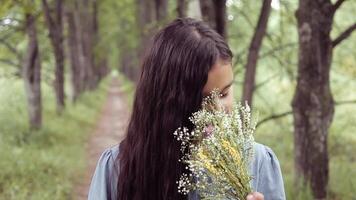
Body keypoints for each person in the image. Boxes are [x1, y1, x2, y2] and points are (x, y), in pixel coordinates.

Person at [88, 18, 286, 200]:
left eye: (224, 94)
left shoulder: (257, 162)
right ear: (168, 103)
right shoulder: (118, 167)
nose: (217, 111)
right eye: (202, 99)